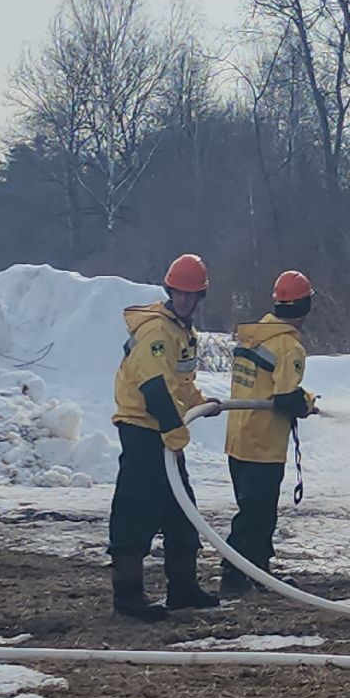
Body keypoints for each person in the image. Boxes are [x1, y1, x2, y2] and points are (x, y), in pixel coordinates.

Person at [109, 253, 220, 621]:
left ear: (201, 296)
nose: (186, 300)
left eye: (193, 295)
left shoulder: (181, 331)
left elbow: (179, 382)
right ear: (169, 290)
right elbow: (154, 386)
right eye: (180, 293)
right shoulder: (158, 331)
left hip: (164, 427)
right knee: (136, 507)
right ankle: (128, 595)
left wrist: (202, 404)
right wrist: (173, 428)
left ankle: (183, 587)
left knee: (180, 509)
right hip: (143, 428)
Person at [219, 270, 319, 596]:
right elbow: (286, 397)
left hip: (239, 436)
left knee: (258, 513)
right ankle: (233, 577)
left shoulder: (255, 331)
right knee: (255, 516)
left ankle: (260, 572)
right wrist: (306, 403)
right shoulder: (289, 347)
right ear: (306, 307)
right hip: (262, 443)